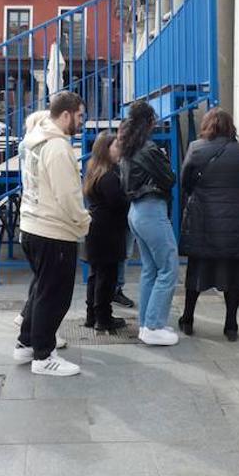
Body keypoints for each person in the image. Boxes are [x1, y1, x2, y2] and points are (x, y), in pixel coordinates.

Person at [14, 93, 89, 374]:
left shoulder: (35, 141)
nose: (82, 121)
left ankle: (26, 344)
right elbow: (68, 195)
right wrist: (84, 222)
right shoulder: (57, 147)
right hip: (53, 231)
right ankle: (43, 356)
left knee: (41, 290)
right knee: (54, 295)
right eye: (80, 115)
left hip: (33, 226)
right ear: (66, 115)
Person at [177, 108, 239, 340]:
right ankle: (231, 325)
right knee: (233, 274)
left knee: (197, 270)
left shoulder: (196, 147)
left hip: (204, 218)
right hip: (236, 218)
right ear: (230, 126)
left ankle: (187, 319)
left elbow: (185, 181)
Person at [119, 101, 180, 346]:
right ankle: (153, 325)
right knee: (168, 267)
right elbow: (169, 178)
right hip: (151, 209)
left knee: (150, 269)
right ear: (149, 122)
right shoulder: (148, 148)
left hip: (136, 212)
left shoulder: (128, 147)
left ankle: (147, 323)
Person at [82, 131, 129, 333]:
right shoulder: (109, 175)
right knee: (106, 277)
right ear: (105, 149)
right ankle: (103, 318)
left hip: (97, 228)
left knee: (96, 275)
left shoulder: (94, 170)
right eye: (116, 146)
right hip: (107, 231)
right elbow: (118, 203)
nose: (119, 149)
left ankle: (92, 316)